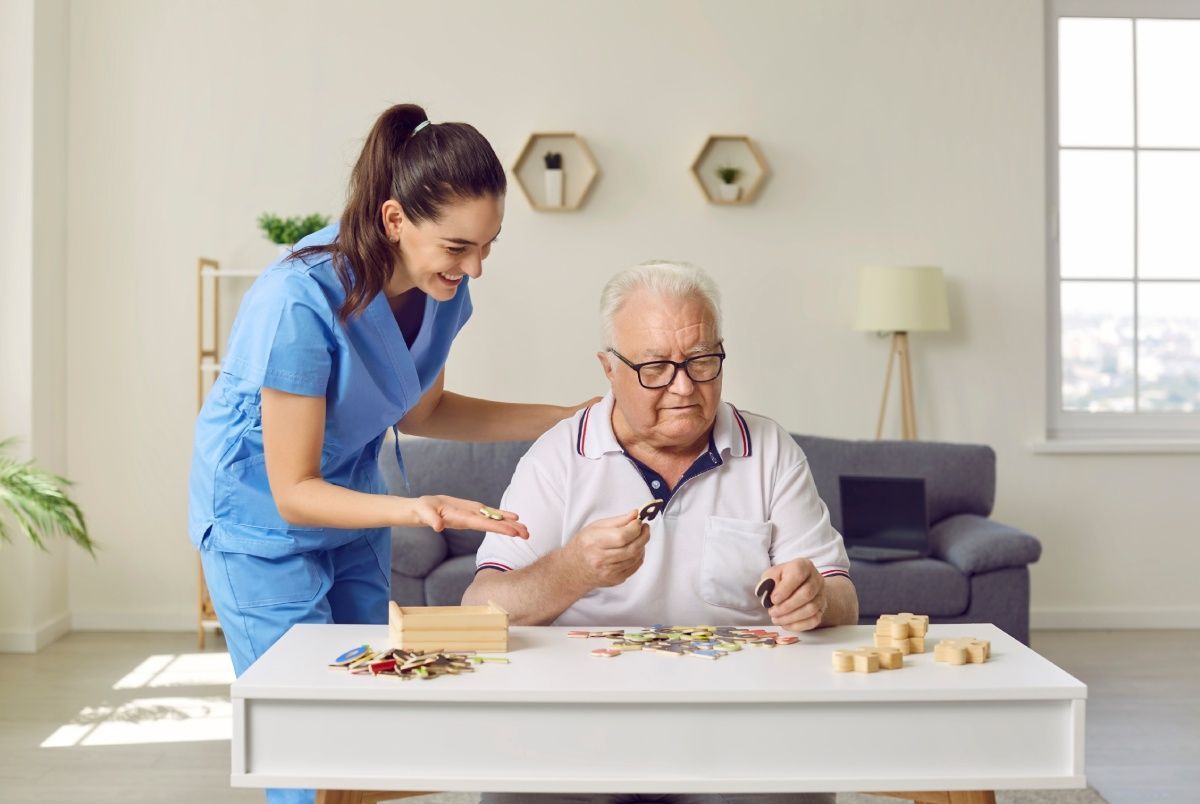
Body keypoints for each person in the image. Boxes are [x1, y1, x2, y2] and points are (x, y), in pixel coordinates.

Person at [188, 103, 591, 804]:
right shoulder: (298, 302)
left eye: (488, 245)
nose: (476, 267)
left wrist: (564, 419)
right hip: (259, 519)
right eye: (459, 247)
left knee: (370, 712)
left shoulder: (443, 292)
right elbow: (292, 488)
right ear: (396, 219)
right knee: (304, 735)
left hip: (351, 501)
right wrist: (418, 505)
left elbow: (423, 408)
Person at [465, 261, 854, 804]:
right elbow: (480, 609)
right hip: (582, 721)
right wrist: (574, 570)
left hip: (738, 718)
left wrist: (814, 598)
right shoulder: (556, 456)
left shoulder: (769, 448)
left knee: (796, 788)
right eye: (655, 367)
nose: (683, 387)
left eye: (702, 362)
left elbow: (842, 599)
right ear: (608, 369)